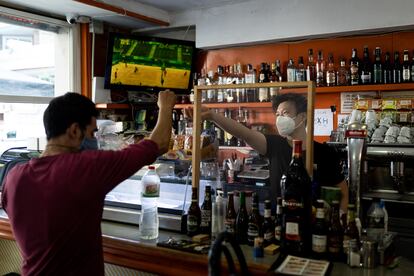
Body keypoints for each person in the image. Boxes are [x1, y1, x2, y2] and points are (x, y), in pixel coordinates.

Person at [1, 91, 176, 275]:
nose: (95, 140)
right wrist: (165, 107)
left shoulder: (14, 177)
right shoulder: (86, 167)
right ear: (75, 130)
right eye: (92, 133)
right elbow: (160, 143)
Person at [192, 93, 348, 213]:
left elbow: (343, 191)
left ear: (302, 117)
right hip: (278, 221)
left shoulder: (324, 152)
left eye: (285, 113)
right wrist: (212, 116)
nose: (279, 119)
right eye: (278, 114)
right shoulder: (274, 145)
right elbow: (244, 133)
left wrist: (340, 221)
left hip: (313, 225)